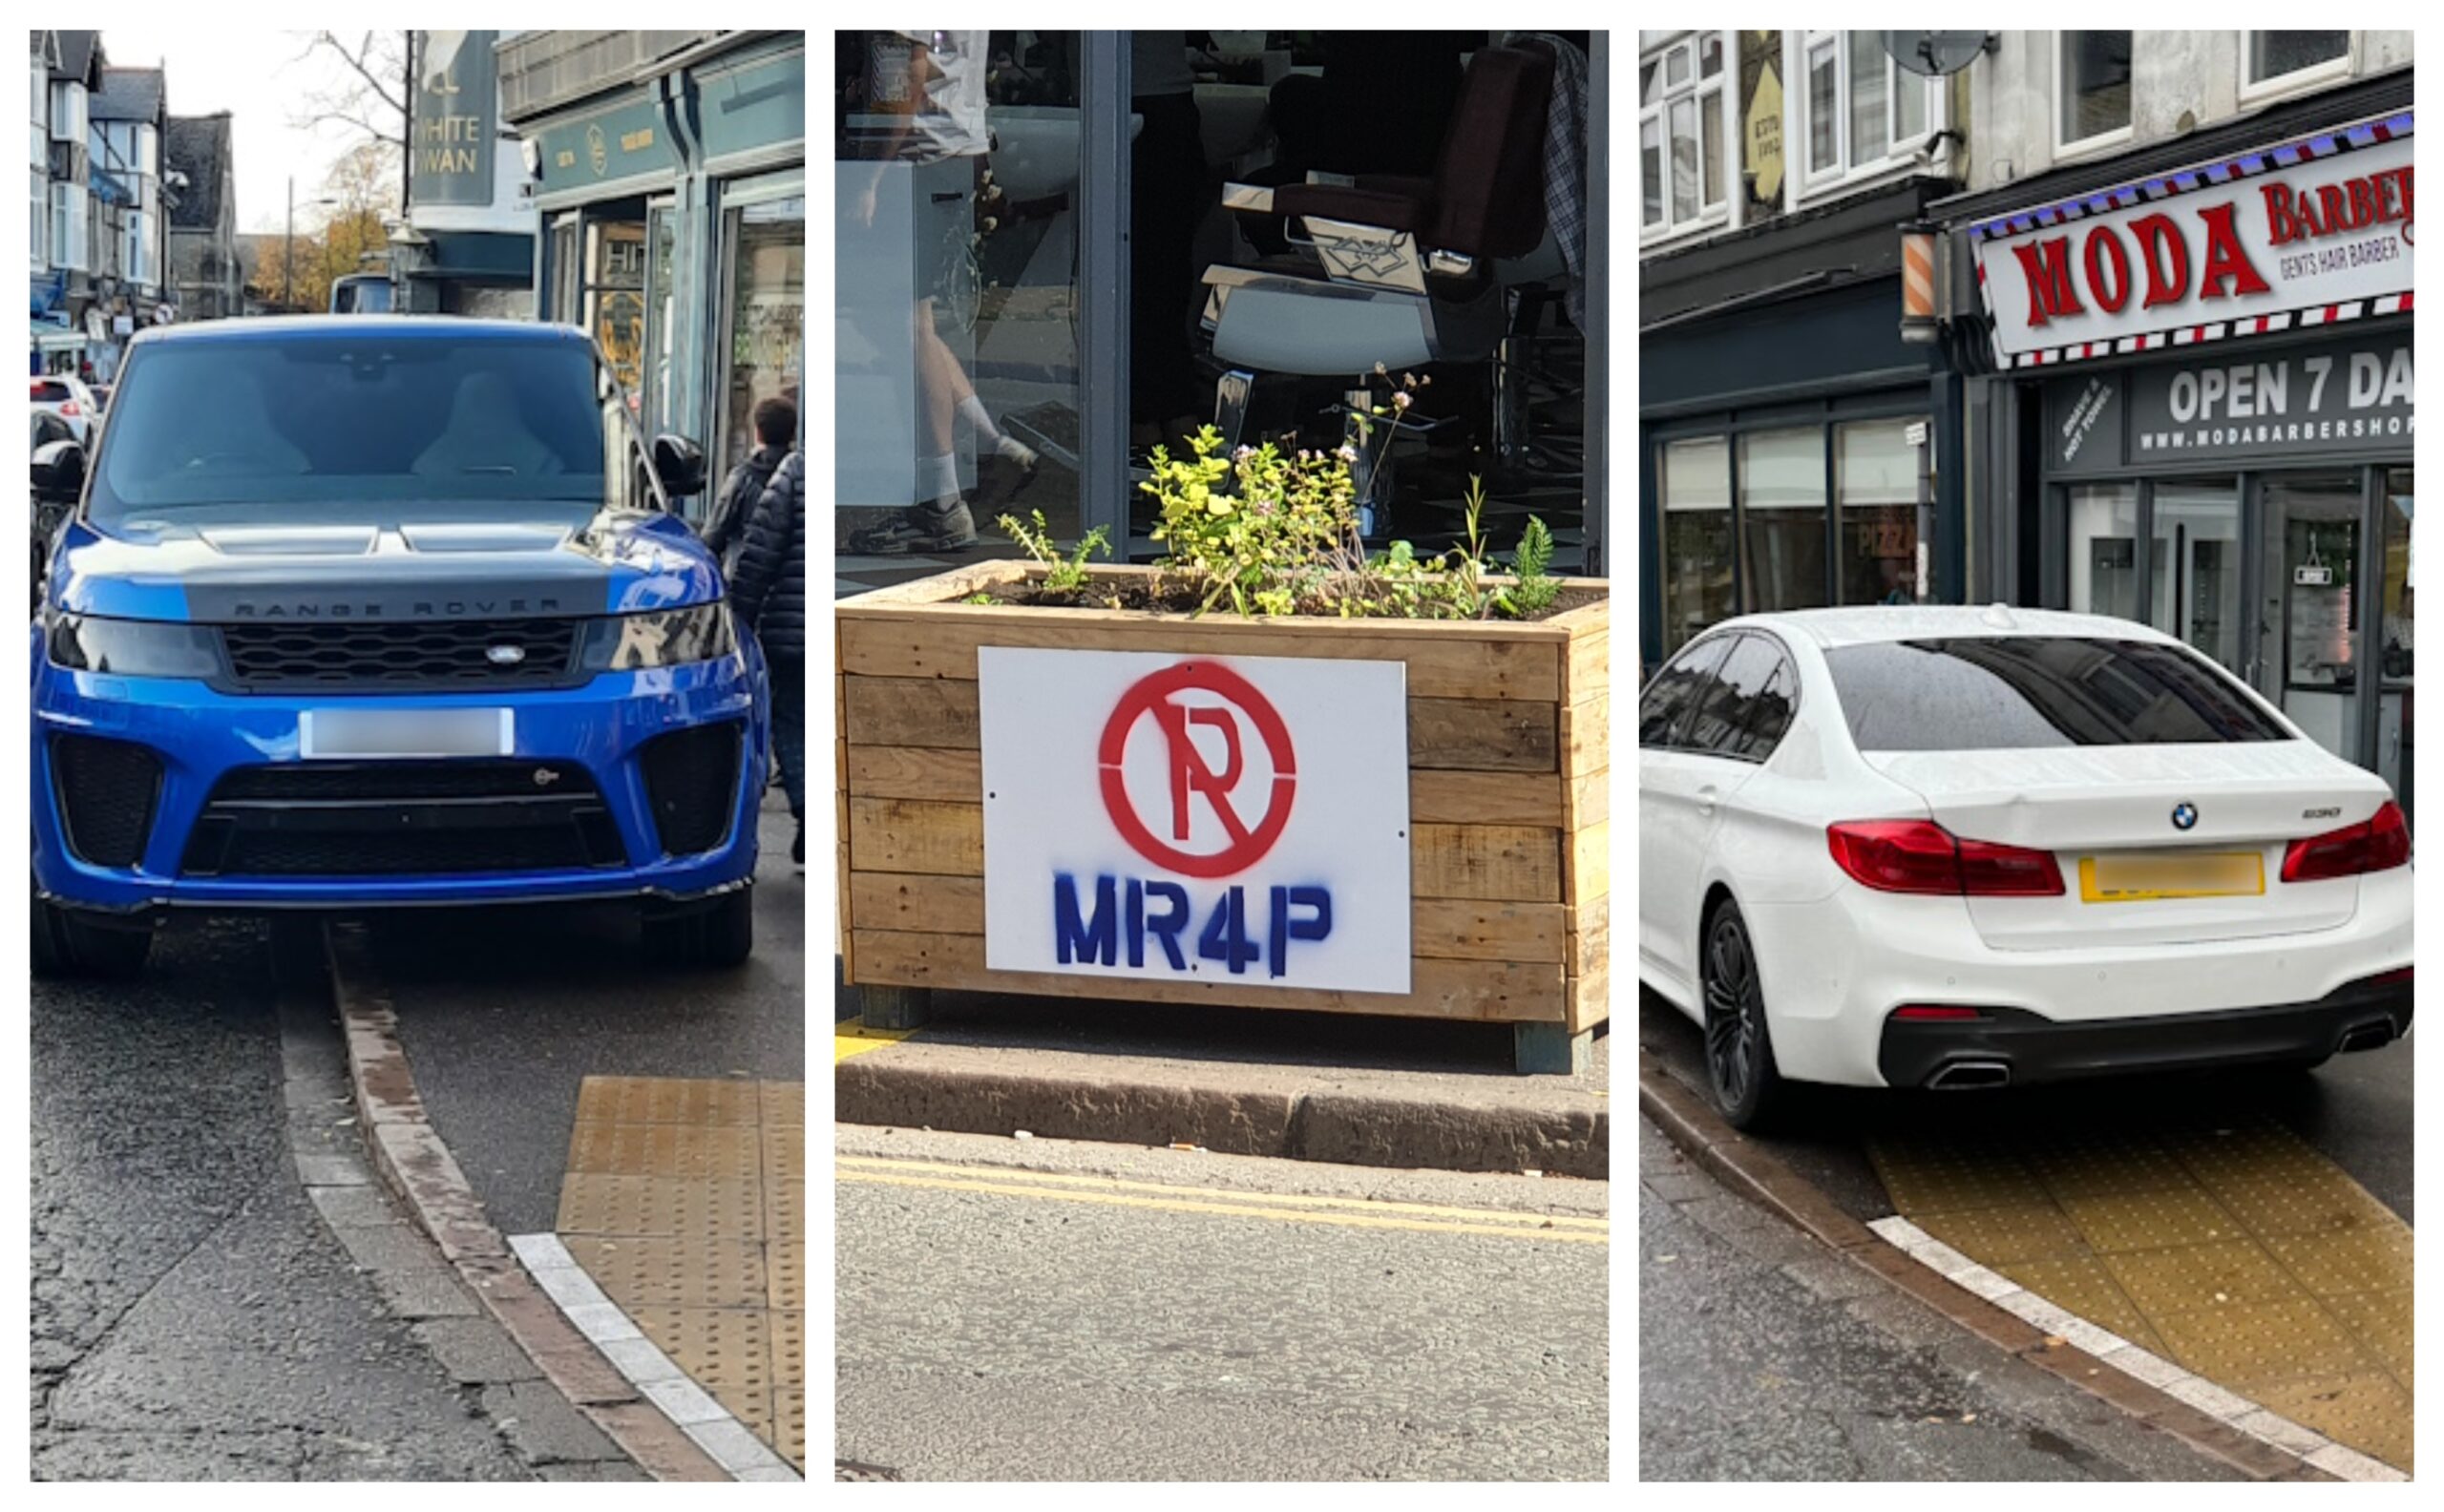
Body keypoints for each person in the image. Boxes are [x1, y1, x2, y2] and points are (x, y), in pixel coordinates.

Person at [727, 449, 807, 866]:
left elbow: (759, 555)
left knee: (792, 723)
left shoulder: (797, 469)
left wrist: (739, 618)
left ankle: (807, 807)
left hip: (792, 633)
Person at [705, 395, 797, 571]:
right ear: (793, 433)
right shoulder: (800, 476)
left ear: (758, 433)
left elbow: (715, 533)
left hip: (744, 572)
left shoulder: (743, 476)